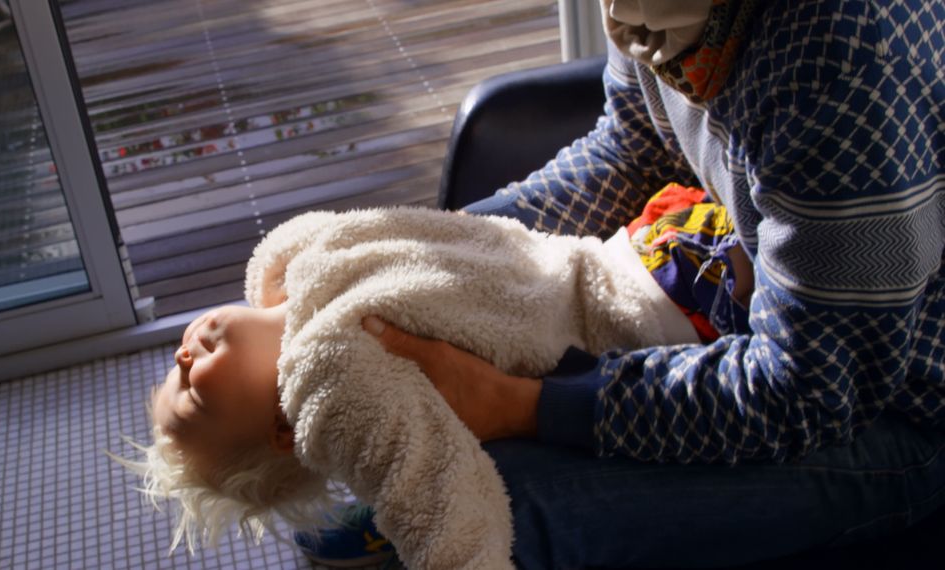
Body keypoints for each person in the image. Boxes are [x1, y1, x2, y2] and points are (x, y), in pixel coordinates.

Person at [304, 0, 944, 567]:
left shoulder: (843, 59)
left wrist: (522, 405)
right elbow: (632, 151)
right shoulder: (661, 13)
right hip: (759, 316)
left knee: (495, 512)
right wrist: (418, 255)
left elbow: (811, 386)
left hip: (903, 406)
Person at [116, 199, 749, 569]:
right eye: (192, 390)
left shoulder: (293, 268)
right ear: (286, 426)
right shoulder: (326, 381)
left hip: (633, 250)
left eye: (171, 365)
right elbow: (439, 502)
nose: (182, 354)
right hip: (656, 303)